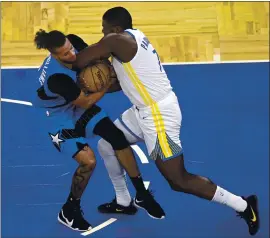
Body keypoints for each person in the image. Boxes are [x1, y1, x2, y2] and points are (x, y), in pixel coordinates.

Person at [72, 6, 260, 236]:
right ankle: (124, 201)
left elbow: (79, 60)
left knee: (178, 180)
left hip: (158, 117)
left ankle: (244, 205)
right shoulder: (133, 39)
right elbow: (122, 83)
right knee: (107, 143)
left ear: (117, 29)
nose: (103, 34)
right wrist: (95, 87)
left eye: (105, 30)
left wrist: (65, 54)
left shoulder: (117, 41)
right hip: (144, 110)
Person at [33, 29, 165, 232]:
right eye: (65, 54)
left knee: (117, 137)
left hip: (73, 106)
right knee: (88, 161)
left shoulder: (74, 42)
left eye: (70, 48)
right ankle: (69, 210)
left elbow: (96, 58)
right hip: (57, 117)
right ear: (54, 55)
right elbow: (86, 102)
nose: (72, 54)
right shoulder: (57, 79)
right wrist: (105, 84)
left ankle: (141, 195)